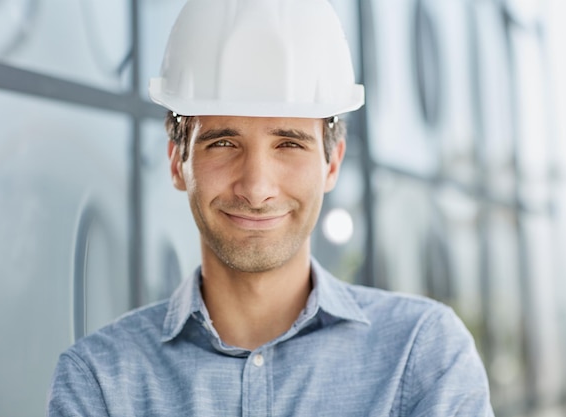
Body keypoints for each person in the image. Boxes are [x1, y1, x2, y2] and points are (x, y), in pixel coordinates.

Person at [47, 0, 495, 415]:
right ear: (176, 162)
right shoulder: (100, 381)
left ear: (332, 163)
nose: (257, 188)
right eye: (223, 143)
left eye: (288, 144)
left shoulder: (420, 354)